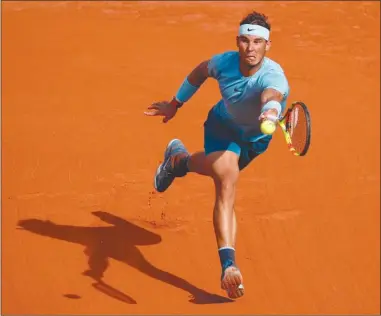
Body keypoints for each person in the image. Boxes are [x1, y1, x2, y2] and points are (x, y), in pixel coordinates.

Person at [144, 11, 290, 299]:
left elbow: (271, 97)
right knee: (226, 179)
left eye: (258, 42)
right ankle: (228, 266)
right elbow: (198, 73)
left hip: (255, 141)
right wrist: (175, 104)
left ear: (267, 46)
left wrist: (270, 112)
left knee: (223, 173)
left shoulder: (274, 77)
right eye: (246, 41)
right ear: (238, 41)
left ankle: (178, 161)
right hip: (221, 127)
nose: (251, 48)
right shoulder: (223, 63)